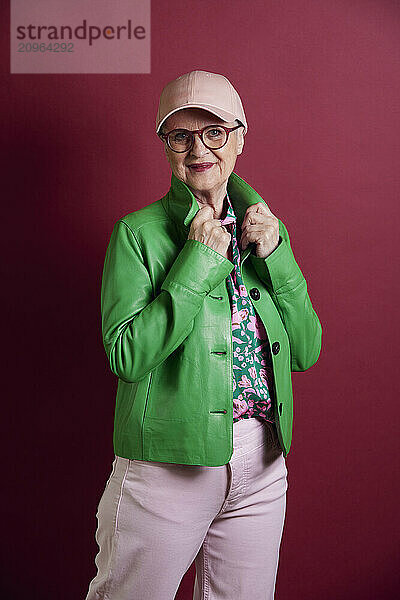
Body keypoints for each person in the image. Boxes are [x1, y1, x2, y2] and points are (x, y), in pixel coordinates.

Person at [84, 70, 322, 600]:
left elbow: (307, 350)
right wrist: (196, 264)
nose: (199, 150)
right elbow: (126, 355)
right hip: (166, 462)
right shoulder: (137, 234)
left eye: (214, 132)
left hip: (261, 459)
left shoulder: (265, 231)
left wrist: (278, 255)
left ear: (240, 135)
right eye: (180, 136)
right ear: (166, 146)